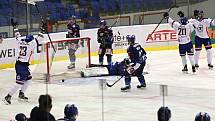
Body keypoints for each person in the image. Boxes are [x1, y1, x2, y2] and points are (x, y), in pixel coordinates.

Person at [3, 19, 41, 105]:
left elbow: (17, 35)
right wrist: (42, 30)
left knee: (28, 79)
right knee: (19, 83)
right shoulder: (31, 45)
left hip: (20, 64)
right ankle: (8, 96)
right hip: (21, 66)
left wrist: (15, 27)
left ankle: (21, 94)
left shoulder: (20, 41)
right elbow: (39, 38)